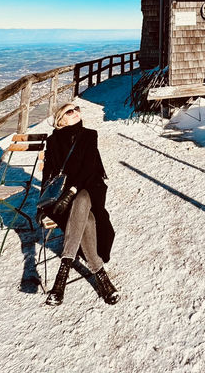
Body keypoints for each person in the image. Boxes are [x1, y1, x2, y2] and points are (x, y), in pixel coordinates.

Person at [39, 102, 119, 306]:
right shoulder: (53, 141)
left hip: (90, 188)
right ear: (60, 119)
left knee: (82, 199)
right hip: (62, 198)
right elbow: (48, 175)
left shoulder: (89, 135)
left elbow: (88, 169)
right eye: (69, 111)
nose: (76, 113)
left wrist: (73, 190)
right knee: (87, 219)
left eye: (77, 109)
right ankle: (100, 274)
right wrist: (42, 204)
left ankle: (63, 271)